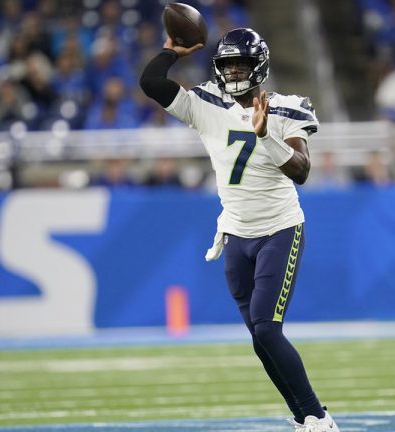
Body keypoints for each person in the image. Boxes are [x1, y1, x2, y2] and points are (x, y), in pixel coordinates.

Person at [139, 28, 339, 432]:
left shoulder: (285, 108)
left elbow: (301, 171)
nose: (232, 71)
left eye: (240, 63)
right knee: (261, 338)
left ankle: (318, 416)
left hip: (279, 230)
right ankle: (304, 418)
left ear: (259, 66)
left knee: (267, 326)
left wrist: (265, 135)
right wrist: (170, 51)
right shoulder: (206, 103)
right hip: (235, 234)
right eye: (226, 63)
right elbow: (151, 83)